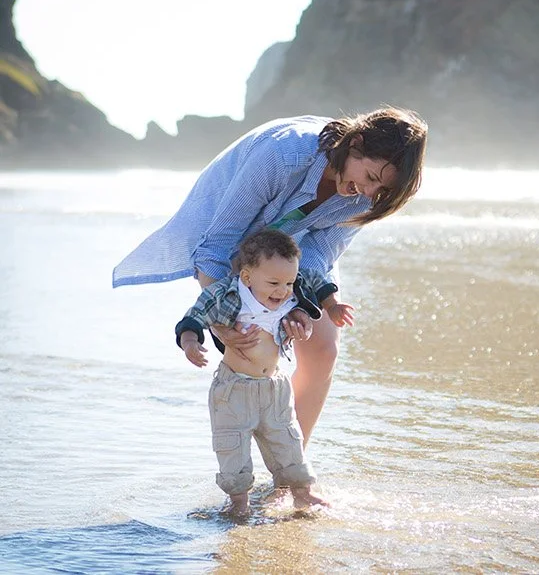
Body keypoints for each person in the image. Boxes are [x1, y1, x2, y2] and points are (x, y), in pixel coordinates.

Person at [114, 106, 428, 445]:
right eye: (369, 177)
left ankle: (291, 463)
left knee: (323, 348)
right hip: (226, 231)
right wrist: (223, 324)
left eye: (380, 188)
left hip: (291, 247)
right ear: (356, 143)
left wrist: (301, 307)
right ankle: (238, 460)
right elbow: (216, 246)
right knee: (254, 350)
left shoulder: (366, 197)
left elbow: (318, 255)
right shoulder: (284, 155)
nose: (367, 193)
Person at [178, 229, 330, 516]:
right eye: (273, 282)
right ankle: (238, 502)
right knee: (232, 447)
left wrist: (321, 312)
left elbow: (317, 285)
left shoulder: (290, 296)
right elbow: (194, 316)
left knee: (288, 441)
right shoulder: (227, 295)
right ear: (247, 277)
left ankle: (302, 492)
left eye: (288, 282)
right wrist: (190, 342)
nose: (282, 290)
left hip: (274, 388)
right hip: (234, 389)